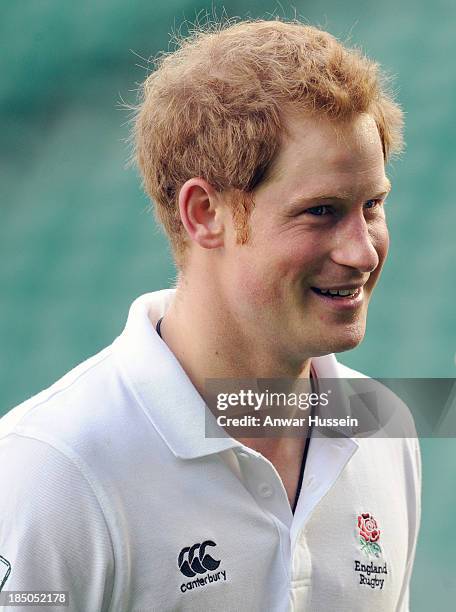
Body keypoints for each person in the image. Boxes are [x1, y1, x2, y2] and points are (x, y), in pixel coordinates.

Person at [0, 19, 420, 611]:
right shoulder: (52, 470)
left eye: (371, 205)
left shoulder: (381, 425)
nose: (363, 251)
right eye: (321, 211)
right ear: (203, 213)